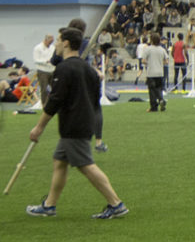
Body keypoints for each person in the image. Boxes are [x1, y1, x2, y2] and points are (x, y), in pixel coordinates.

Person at [24, 28, 127, 220]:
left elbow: (54, 101)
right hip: (81, 122)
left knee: (85, 165)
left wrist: (39, 127)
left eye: (59, 40)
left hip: (74, 124)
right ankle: (49, 205)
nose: (56, 44)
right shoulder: (89, 70)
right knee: (60, 162)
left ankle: (116, 203)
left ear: (66, 43)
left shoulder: (64, 69)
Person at [138, 34, 168, 113]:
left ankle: (154, 107)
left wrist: (149, 62)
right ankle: (161, 99)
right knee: (159, 89)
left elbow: (143, 60)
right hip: (160, 73)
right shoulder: (162, 49)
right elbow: (166, 61)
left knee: (152, 91)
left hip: (151, 72)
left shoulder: (148, 49)